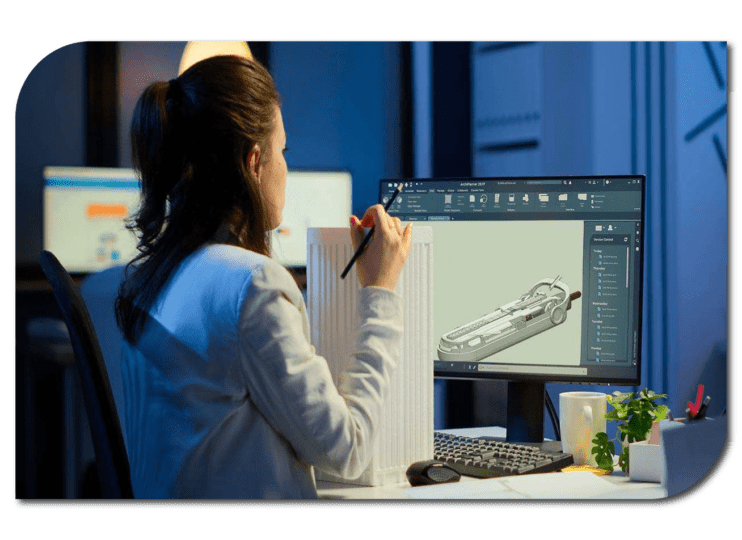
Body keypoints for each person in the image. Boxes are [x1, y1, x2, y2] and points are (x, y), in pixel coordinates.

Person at [115, 55, 413, 498]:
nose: (285, 168)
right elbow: (347, 451)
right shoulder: (253, 285)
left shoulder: (155, 275)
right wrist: (380, 293)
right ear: (255, 162)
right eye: (283, 152)